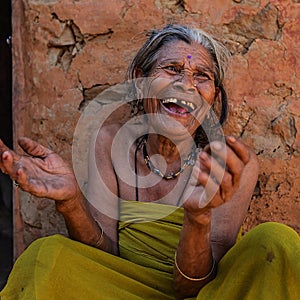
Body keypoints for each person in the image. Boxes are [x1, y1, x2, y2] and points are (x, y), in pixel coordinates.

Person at [0, 24, 299, 300]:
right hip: (126, 290)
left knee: (276, 241)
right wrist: (70, 202)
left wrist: (198, 218)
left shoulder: (231, 164)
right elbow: (105, 254)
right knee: (46, 254)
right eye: (172, 69)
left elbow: (195, 286)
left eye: (202, 76)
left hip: (209, 295)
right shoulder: (108, 142)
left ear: (213, 97)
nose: (186, 85)